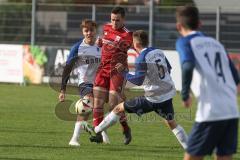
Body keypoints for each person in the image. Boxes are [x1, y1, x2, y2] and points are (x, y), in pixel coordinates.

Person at [84, 30, 188, 149]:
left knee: (118, 108)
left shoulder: (142, 58)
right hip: (167, 94)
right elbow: (168, 69)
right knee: (171, 123)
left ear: (136, 44)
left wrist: (123, 72)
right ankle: (190, 149)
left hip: (153, 99)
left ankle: (96, 130)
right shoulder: (158, 51)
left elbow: (138, 80)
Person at [175, 5, 239, 160]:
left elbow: (188, 65)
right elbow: (235, 76)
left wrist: (185, 95)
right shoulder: (217, 44)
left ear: (179, 26)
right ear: (200, 24)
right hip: (231, 110)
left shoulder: (185, 42)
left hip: (211, 111)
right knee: (224, 157)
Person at [58, 19, 110, 147]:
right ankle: (74, 139)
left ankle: (101, 133)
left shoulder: (101, 45)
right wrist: (62, 90)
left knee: (102, 108)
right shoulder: (78, 48)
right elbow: (67, 68)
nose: (89, 33)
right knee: (86, 106)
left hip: (100, 82)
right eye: (86, 31)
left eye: (91, 30)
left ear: (95, 31)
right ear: (82, 32)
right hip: (85, 83)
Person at [93, 6, 132, 144]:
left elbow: (129, 49)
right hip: (103, 69)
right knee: (97, 102)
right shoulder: (105, 28)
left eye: (117, 20)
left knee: (113, 105)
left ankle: (126, 128)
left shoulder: (127, 35)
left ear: (123, 19)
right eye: (112, 20)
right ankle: (97, 132)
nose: (114, 23)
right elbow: (102, 43)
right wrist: (99, 43)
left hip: (117, 72)